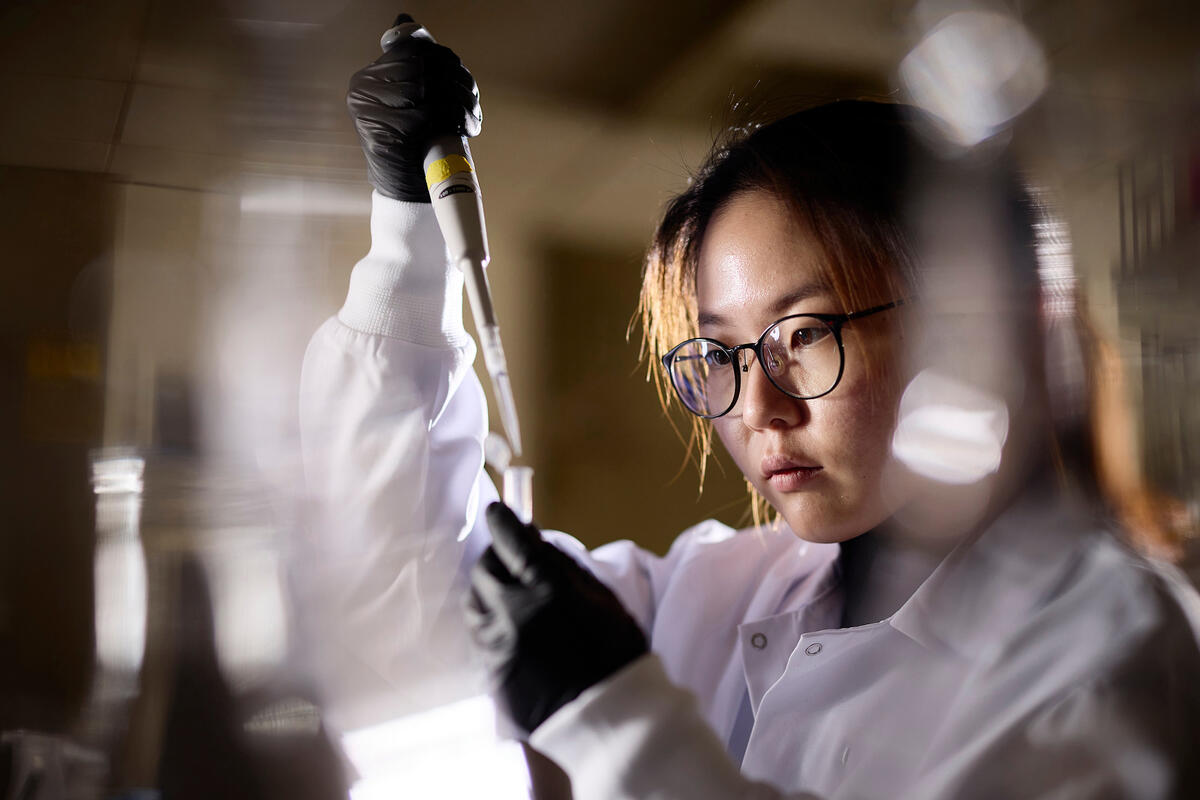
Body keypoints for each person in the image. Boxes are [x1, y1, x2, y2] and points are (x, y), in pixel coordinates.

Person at [299, 15, 1200, 798]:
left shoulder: (1111, 650)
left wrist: (616, 716)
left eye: (803, 334)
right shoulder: (731, 591)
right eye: (720, 353)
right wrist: (406, 234)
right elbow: (398, 598)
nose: (758, 407)